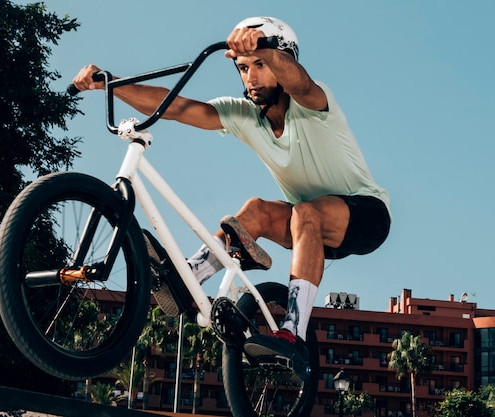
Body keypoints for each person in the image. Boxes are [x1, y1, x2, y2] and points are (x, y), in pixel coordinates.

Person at [73, 16, 391, 379]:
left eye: (261, 65)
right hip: (309, 229)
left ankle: (294, 333)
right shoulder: (242, 114)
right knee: (254, 210)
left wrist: (264, 49)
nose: (252, 76)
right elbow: (175, 107)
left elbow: (299, 81)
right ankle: (190, 276)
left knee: (305, 212)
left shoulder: (315, 102)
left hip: (366, 215)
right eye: (244, 68)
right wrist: (109, 84)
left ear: (280, 60)